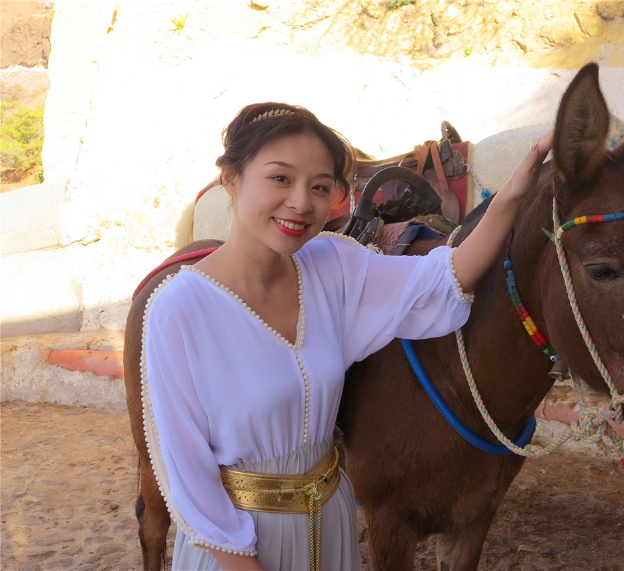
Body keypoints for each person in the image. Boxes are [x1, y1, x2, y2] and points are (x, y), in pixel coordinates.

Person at [141, 102, 554, 571]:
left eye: (320, 187)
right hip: (239, 548)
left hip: (329, 528)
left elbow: (444, 279)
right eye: (280, 178)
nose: (302, 202)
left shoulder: (330, 267)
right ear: (231, 179)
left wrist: (511, 196)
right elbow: (187, 474)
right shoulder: (178, 309)